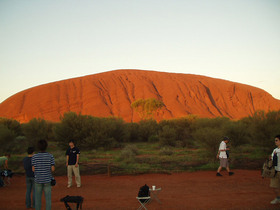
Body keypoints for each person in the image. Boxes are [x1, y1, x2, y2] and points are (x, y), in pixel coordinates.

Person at [32, 140, 55, 210]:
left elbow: (33, 169)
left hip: (38, 180)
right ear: (46, 146)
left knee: (38, 199)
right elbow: (53, 169)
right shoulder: (50, 156)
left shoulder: (34, 157)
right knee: (48, 199)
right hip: (47, 180)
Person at [270, 135, 280, 204]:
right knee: (275, 186)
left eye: (276, 140)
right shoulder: (275, 150)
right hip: (276, 171)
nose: (275, 142)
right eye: (275, 140)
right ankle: (278, 198)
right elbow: (272, 159)